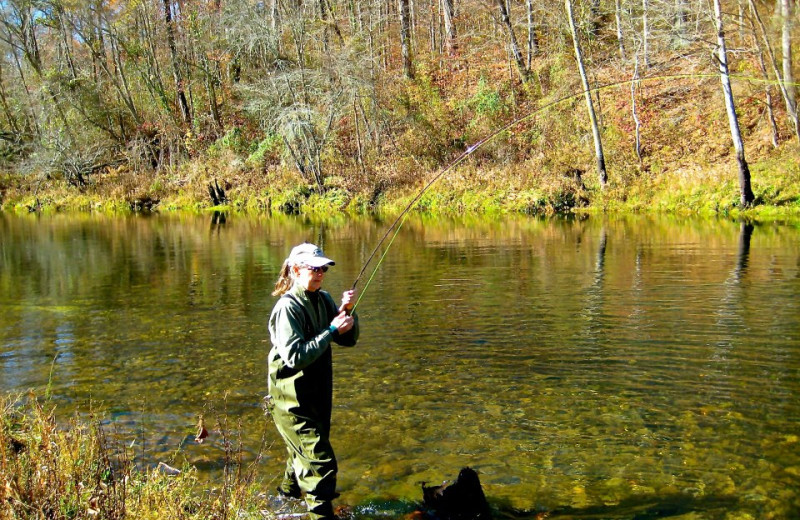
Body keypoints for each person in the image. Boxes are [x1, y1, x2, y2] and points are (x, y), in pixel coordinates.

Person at [266, 242, 359, 520]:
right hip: (290, 399)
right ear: (296, 269)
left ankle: (282, 504)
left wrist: (347, 312)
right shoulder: (287, 307)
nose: (319, 273)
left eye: (323, 269)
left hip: (317, 393)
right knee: (320, 463)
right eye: (313, 268)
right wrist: (331, 329)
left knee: (301, 453)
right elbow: (295, 357)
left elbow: (349, 340)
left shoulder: (324, 298)